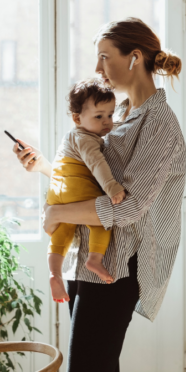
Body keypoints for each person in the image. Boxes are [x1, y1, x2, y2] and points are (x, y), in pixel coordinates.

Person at [12, 17, 185, 372]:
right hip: (92, 261)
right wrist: (44, 166)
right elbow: (93, 185)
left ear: (134, 57)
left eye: (104, 57)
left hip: (117, 270)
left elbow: (127, 208)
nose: (97, 68)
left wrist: (57, 212)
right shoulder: (121, 116)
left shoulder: (159, 125)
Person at [47, 78, 126, 303]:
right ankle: (94, 259)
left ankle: (54, 273)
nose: (107, 122)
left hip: (57, 193)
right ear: (77, 118)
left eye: (110, 115)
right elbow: (96, 163)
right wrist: (111, 187)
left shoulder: (69, 137)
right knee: (101, 218)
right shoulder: (86, 138)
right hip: (78, 189)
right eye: (99, 116)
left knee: (60, 234)